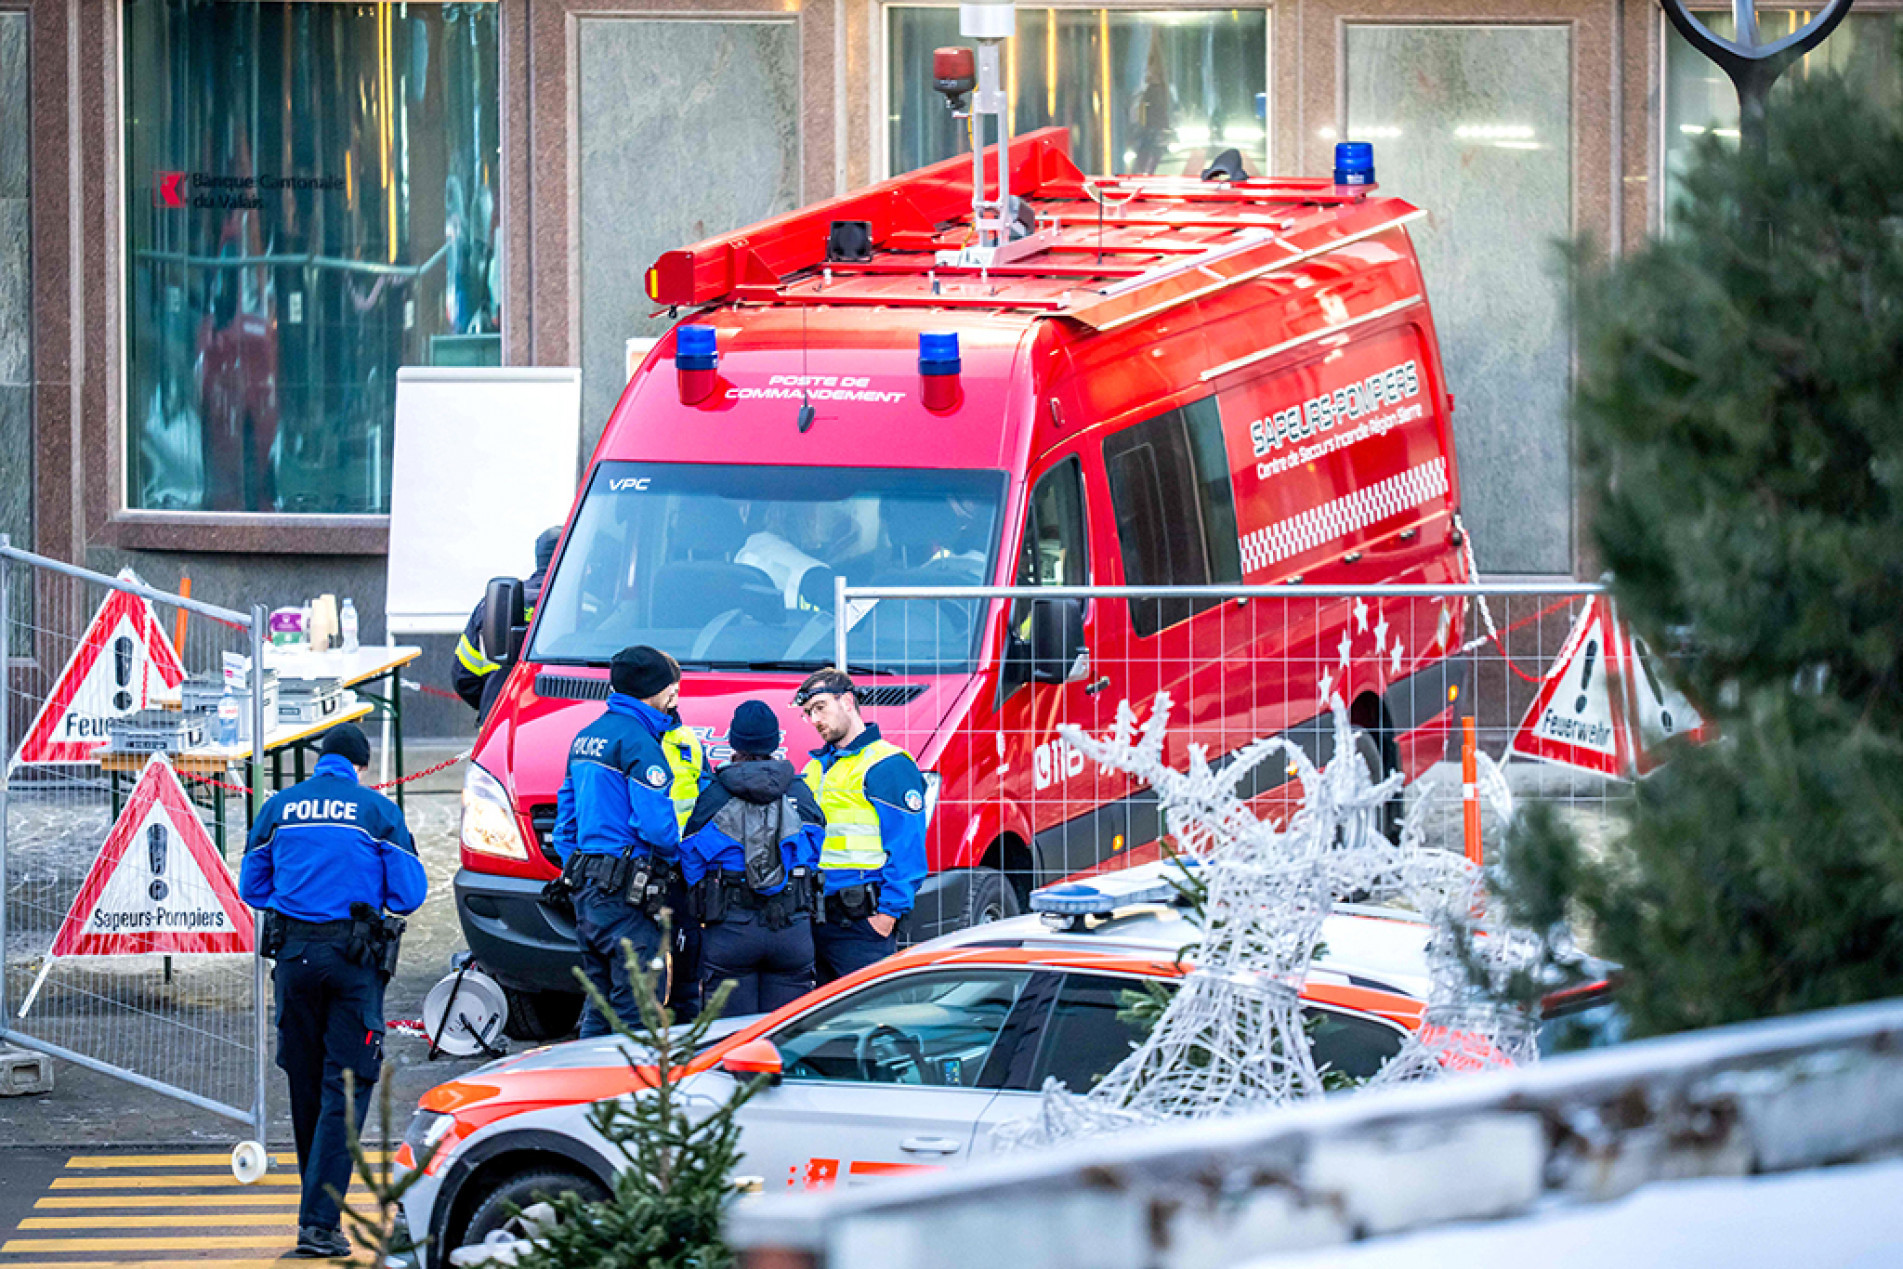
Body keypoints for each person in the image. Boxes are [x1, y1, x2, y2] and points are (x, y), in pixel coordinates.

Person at [239, 723, 426, 1259]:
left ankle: (313, 1209)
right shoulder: (376, 810)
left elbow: (252, 887)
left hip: (293, 960)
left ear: (321, 761)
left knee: (305, 1081)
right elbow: (409, 892)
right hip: (352, 962)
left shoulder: (279, 807)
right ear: (361, 766)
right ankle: (319, 1225)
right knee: (344, 1088)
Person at [549, 646, 686, 1037]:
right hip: (628, 893)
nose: (675, 696)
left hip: (588, 889)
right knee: (638, 1010)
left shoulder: (586, 737)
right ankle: (628, 1094)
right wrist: (672, 857)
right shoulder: (639, 743)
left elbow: (565, 824)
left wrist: (582, 863)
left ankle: (589, 1089)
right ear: (654, 689)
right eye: (671, 688)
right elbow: (658, 829)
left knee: (600, 1001)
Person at [680, 702, 824, 1014]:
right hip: (791, 927)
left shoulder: (715, 795)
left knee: (730, 1040)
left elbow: (691, 857)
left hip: (730, 929)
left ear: (734, 742)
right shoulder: (800, 793)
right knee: (784, 1035)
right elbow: (813, 855)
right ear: (775, 743)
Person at [793, 668, 928, 982]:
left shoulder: (887, 764)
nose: (815, 720)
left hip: (863, 918)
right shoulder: (815, 767)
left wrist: (887, 915)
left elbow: (907, 846)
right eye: (808, 713)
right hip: (818, 915)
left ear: (848, 702)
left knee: (872, 1018)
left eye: (820, 707)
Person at [453, 526, 562, 718]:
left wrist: (494, 702)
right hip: (554, 722)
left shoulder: (492, 603)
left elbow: (464, 676)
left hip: (497, 725)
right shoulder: (586, 607)